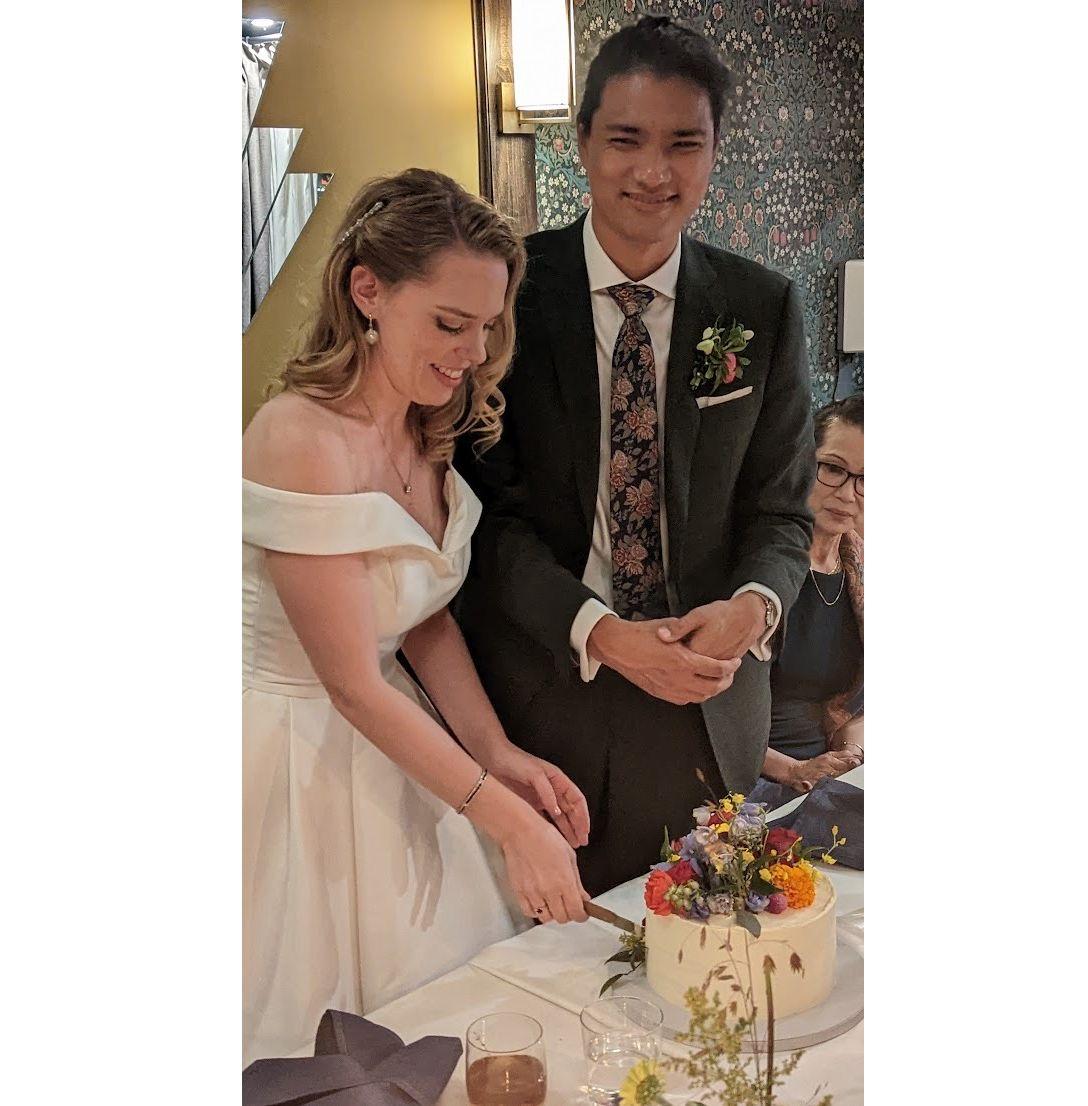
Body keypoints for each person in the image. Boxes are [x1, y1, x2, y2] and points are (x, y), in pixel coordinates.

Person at [456, 17, 815, 895]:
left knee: (706, 955)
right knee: (554, 965)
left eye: (683, 144)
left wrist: (754, 606)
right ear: (581, 142)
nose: (654, 173)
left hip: (709, 703)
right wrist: (601, 633)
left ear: (714, 151)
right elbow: (484, 524)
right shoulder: (506, 296)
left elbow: (783, 511)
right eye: (626, 140)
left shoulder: (760, 305)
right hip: (547, 696)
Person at [242, 169, 591, 1065]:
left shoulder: (425, 429)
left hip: (399, 738)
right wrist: (509, 824)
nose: (473, 353)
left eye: (486, 327)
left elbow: (425, 618)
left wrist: (498, 754)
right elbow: (355, 683)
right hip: (297, 753)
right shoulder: (298, 437)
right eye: (449, 324)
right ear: (368, 290)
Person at [760, 395, 864, 794]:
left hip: (822, 777)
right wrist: (793, 771)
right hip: (747, 779)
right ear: (800, 462)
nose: (847, 493)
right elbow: (707, 716)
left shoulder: (862, 573)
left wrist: (851, 755)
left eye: (865, 480)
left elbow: (857, 704)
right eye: (833, 469)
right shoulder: (758, 571)